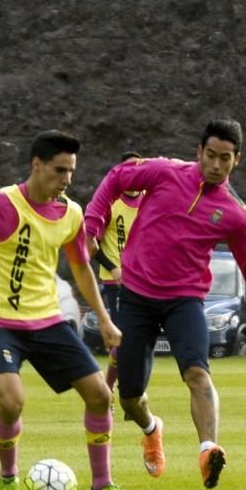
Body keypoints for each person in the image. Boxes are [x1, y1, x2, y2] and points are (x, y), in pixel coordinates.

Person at [0, 130, 140, 490]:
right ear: (36, 165)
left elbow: (82, 268)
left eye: (71, 171)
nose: (67, 179)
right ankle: (8, 479)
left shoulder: (70, 214)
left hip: (48, 321)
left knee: (101, 395)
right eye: (59, 170)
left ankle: (102, 484)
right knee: (12, 401)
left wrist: (104, 320)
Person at [84, 118, 246, 490]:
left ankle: (208, 449)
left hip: (184, 301)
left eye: (226, 158)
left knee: (198, 374)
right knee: (130, 398)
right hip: (134, 296)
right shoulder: (164, 173)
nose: (216, 165)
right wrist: (92, 224)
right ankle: (152, 429)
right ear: (199, 152)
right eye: (211, 155)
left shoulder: (234, 213)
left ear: (238, 160)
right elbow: (119, 176)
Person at [92, 151, 144, 393]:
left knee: (135, 339)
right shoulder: (111, 203)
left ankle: (122, 387)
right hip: (116, 282)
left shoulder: (149, 200)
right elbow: (91, 244)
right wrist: (113, 268)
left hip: (144, 281)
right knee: (124, 337)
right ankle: (111, 387)